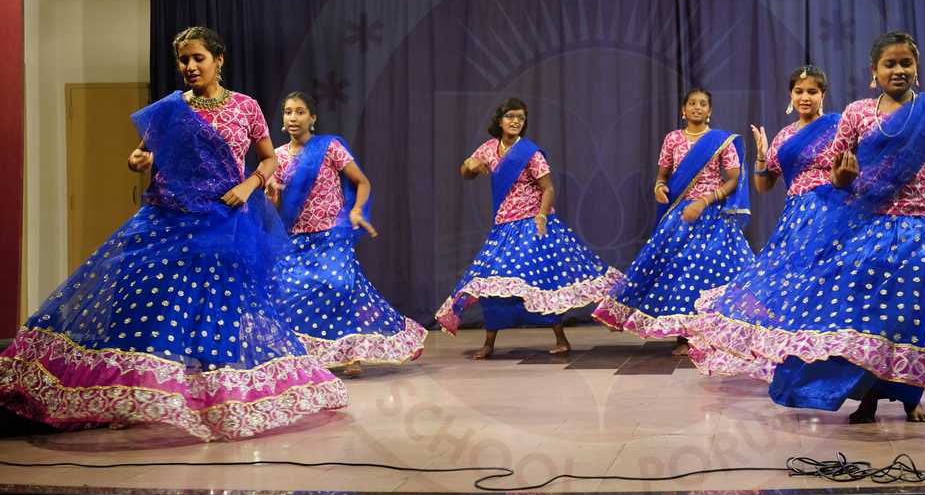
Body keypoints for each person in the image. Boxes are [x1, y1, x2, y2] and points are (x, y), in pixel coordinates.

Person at [0, 27, 347, 441]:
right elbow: (147, 154)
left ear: (218, 60)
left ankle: (218, 400)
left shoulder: (245, 107)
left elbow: (269, 159)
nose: (190, 67)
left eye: (198, 58)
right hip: (166, 218)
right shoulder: (169, 109)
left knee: (217, 308)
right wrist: (138, 158)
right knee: (140, 298)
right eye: (183, 60)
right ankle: (126, 395)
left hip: (222, 220)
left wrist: (250, 185)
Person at [692, 33, 925, 422]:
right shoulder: (857, 114)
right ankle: (868, 397)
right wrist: (842, 177)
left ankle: (911, 397)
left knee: (908, 316)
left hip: (922, 227)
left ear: (917, 70)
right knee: (866, 313)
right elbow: (839, 178)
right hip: (867, 225)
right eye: (889, 64)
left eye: (905, 63)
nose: (898, 70)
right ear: (873, 73)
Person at [435, 97, 620, 359]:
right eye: (510, 116)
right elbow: (466, 172)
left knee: (542, 280)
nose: (515, 121)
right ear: (499, 121)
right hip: (504, 227)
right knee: (491, 283)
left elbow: (549, 189)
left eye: (520, 118)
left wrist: (542, 218)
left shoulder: (529, 152)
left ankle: (561, 338)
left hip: (533, 224)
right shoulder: (489, 148)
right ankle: (489, 343)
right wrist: (469, 165)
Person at [687, 66, 840, 379]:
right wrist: (761, 156)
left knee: (829, 283)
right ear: (790, 96)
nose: (805, 97)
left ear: (823, 95)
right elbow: (763, 186)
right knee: (792, 284)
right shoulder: (785, 136)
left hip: (834, 215)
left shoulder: (837, 128)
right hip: (797, 219)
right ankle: (798, 355)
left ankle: (833, 356)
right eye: (799, 91)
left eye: (812, 91)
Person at [267, 92, 426, 377]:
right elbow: (277, 208)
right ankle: (301, 355)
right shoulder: (277, 157)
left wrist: (356, 211)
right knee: (286, 291)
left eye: (300, 111)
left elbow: (362, 182)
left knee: (339, 285)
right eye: (288, 112)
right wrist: (272, 196)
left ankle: (350, 353)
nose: (293, 117)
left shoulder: (329, 148)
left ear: (312, 118)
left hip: (331, 235)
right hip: (295, 239)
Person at [594, 88, 752, 355]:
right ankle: (684, 335)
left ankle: (718, 334)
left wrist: (704, 202)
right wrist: (659, 187)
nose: (697, 108)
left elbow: (734, 178)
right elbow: (662, 175)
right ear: (683, 110)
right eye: (692, 103)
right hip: (678, 215)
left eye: (703, 104)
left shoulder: (720, 141)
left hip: (711, 214)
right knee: (677, 271)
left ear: (710, 111)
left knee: (708, 271)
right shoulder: (673, 139)